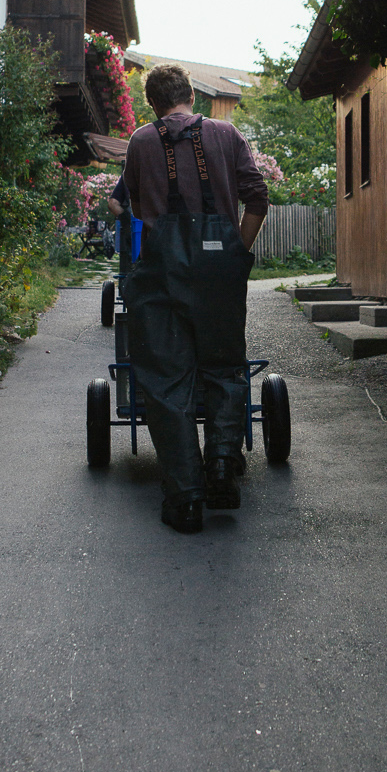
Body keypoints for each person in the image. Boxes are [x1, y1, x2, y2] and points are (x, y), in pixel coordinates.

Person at [122, 63, 268, 534]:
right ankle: (222, 465)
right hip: (219, 273)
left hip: (163, 274)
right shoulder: (226, 134)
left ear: (153, 103)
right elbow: (257, 198)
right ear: (190, 94)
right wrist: (236, 251)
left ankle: (185, 498)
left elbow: (138, 207)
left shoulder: (141, 141)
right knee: (224, 366)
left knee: (167, 381)